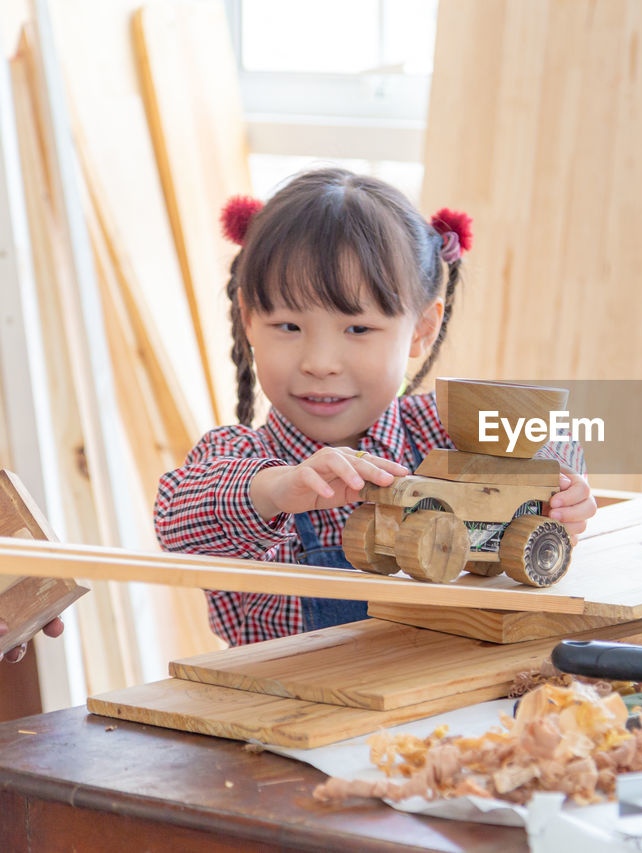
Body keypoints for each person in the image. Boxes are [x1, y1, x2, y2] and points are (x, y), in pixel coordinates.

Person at [154, 168, 596, 647]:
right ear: (248, 321)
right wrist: (277, 487)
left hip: (442, 708)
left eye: (358, 329)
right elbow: (177, 518)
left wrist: (563, 494)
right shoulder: (236, 457)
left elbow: (549, 438)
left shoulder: (444, 432)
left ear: (422, 329)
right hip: (286, 710)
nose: (320, 363)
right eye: (287, 326)